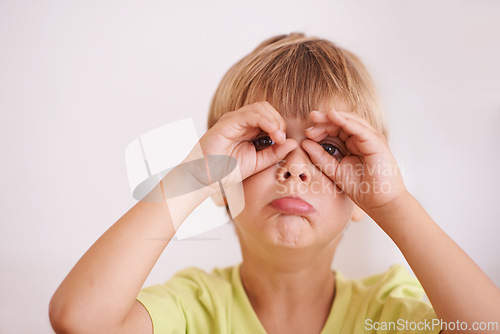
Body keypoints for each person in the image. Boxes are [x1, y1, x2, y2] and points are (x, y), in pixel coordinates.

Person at [49, 33, 500, 334]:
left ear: (363, 196)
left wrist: (394, 202)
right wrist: (195, 177)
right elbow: (80, 320)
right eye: (265, 141)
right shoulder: (194, 308)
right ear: (222, 185)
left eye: (333, 150)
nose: (297, 169)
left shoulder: (387, 313)